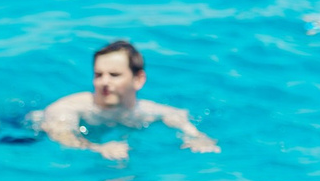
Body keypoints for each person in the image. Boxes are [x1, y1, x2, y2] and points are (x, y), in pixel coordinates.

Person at [34, 40, 218, 163]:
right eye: (99, 75)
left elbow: (177, 115)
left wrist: (198, 137)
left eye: (114, 75)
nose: (104, 81)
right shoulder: (68, 108)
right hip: (29, 133)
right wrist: (98, 148)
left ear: (138, 79)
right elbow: (63, 136)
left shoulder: (145, 110)